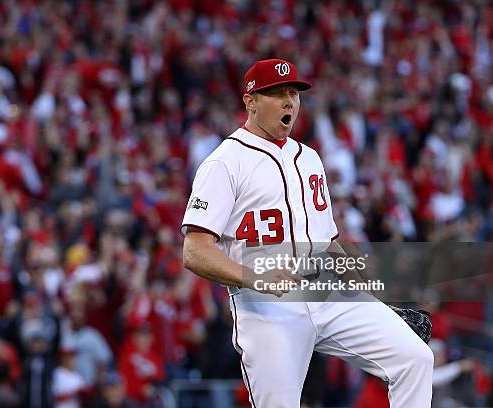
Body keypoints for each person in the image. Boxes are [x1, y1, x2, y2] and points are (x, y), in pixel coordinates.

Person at [181, 58, 434, 407]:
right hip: (267, 306)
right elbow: (194, 250)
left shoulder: (310, 158)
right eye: (275, 94)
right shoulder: (224, 163)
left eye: (293, 93)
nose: (289, 102)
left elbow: (328, 241)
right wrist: (253, 276)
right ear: (250, 101)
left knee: (415, 357)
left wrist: (373, 298)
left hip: (326, 290)